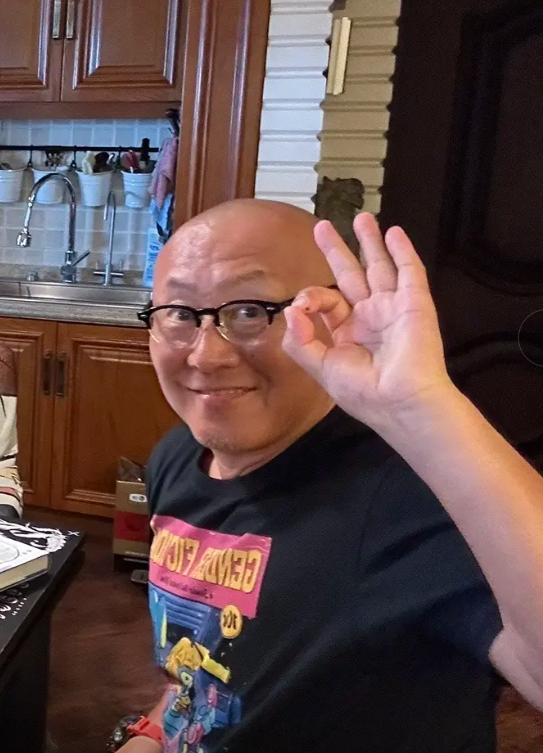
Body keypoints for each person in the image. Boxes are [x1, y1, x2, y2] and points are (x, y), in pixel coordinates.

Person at [113, 200, 542, 753]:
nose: (206, 355)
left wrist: (425, 408)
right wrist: (151, 735)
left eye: (250, 311)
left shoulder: (410, 494)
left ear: (330, 315)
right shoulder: (176, 457)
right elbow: (201, 669)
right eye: (179, 313)